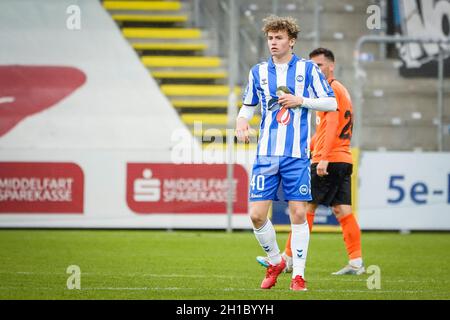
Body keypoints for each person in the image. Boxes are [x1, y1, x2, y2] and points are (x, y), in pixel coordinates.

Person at [236, 16, 337, 291]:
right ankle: (275, 261)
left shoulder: (308, 69)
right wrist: (241, 121)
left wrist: (301, 100)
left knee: (298, 213)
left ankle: (298, 276)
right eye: (270, 38)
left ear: (291, 41)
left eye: (279, 38)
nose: (273, 42)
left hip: (296, 155)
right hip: (266, 154)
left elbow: (331, 102)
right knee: (256, 215)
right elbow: (248, 105)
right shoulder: (258, 71)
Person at [256, 48, 365, 276]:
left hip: (330, 159)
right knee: (343, 210)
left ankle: (287, 259)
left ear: (331, 66)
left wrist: (322, 157)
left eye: (320, 66)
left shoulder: (331, 90)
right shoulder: (339, 89)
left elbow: (333, 125)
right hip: (343, 157)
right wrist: (311, 146)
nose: (315, 70)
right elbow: (325, 130)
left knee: (303, 208)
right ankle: (356, 262)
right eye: (312, 66)